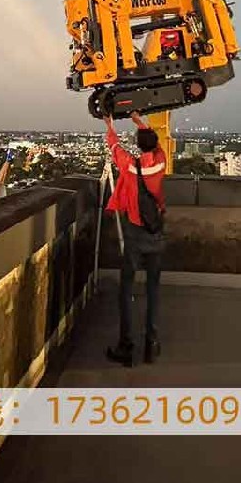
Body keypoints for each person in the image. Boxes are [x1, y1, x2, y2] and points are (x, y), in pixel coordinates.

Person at [102, 110, 167, 367]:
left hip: (135, 232)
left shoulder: (131, 166)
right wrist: (139, 121)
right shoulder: (161, 161)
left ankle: (126, 345)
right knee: (153, 289)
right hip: (156, 232)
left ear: (139, 146)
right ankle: (151, 343)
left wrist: (110, 124)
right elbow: (156, 143)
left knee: (126, 288)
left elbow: (114, 146)